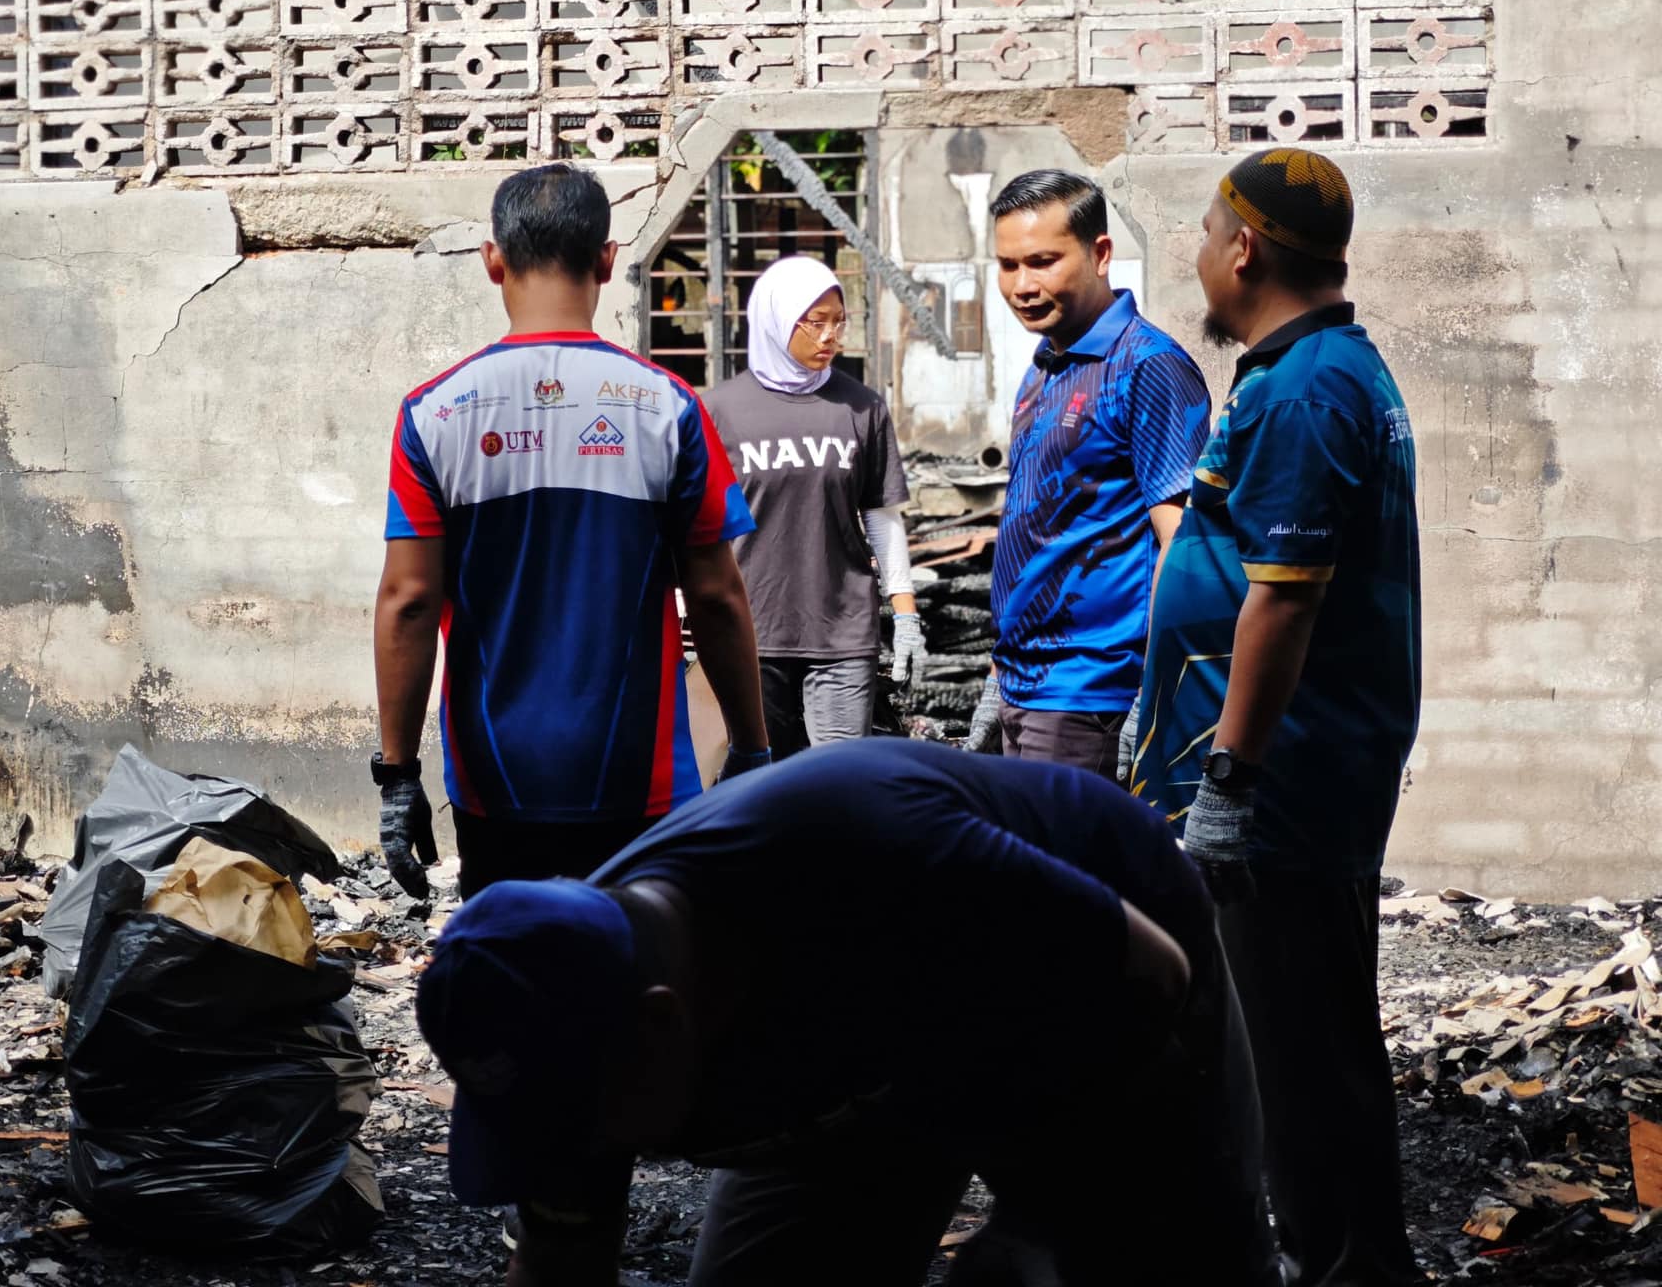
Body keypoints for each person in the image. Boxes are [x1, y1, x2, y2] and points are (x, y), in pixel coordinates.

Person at [415, 739, 1277, 1287]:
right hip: (860, 1050)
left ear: (661, 1026)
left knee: (1160, 1260)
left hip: (1095, 985)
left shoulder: (874, 847)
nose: (573, 1156)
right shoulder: (563, 1007)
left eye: (578, 1128)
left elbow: (1151, 978)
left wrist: (1039, 1218)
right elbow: (561, 1259)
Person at [1135, 147, 1421, 1287]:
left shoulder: (1305, 390)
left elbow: (1284, 600)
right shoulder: (1311, 370)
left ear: (1244, 248)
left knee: (1299, 1053)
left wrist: (1227, 783)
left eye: (1207, 236)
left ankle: (1348, 1267)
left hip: (1283, 784)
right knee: (1298, 1040)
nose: (1200, 256)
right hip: (1285, 771)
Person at [372, 163, 769, 902]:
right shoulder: (668, 407)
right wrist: (750, 749)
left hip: (495, 775)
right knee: (631, 957)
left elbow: (408, 601)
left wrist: (398, 776)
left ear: (493, 261)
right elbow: (716, 596)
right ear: (607, 261)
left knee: (515, 959)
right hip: (638, 776)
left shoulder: (434, 413)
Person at [966, 170, 1209, 782]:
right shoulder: (1043, 368)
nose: (1022, 285)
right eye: (1008, 265)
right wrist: (998, 674)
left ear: (1100, 254)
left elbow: (1182, 543)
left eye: (1043, 262)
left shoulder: (1147, 365)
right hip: (1022, 683)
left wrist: (1150, 692)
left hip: (1091, 693)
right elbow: (1037, 532)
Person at [704, 256, 922, 756]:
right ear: (776, 319)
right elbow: (699, 527)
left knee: (840, 778)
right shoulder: (719, 411)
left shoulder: (863, 408)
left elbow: (882, 518)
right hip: (751, 631)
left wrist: (906, 615)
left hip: (842, 628)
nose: (830, 337)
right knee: (763, 779)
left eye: (839, 322)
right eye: (815, 322)